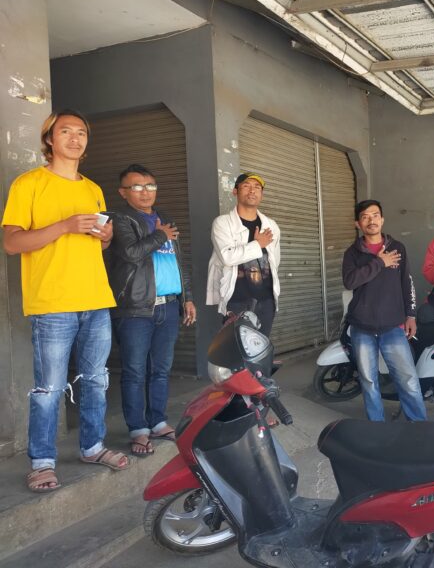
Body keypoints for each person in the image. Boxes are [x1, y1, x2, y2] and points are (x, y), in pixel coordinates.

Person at [2, 109, 130, 493]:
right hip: (53, 302)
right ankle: (42, 462)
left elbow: (99, 243)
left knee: (96, 380)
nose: (75, 139)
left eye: (81, 133)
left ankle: (92, 447)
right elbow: (12, 243)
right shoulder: (29, 184)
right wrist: (64, 225)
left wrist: (105, 237)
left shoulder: (93, 189)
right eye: (66, 132)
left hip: (96, 297)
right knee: (49, 389)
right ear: (50, 139)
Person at [107, 164, 196, 456]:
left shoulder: (165, 218)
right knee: (134, 371)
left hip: (168, 306)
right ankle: (138, 430)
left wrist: (187, 298)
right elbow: (130, 253)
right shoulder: (120, 219)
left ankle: (157, 422)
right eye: (137, 187)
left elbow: (178, 261)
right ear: (123, 192)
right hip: (135, 308)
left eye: (150, 186)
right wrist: (159, 236)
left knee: (161, 369)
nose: (145, 192)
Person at [342, 200, 427, 422]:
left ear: (382, 219)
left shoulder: (397, 248)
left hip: (393, 326)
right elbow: (350, 281)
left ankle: (419, 426)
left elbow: (406, 282)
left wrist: (411, 315)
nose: (371, 220)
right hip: (362, 327)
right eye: (365, 217)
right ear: (358, 223)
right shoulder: (352, 253)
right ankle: (376, 428)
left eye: (375, 215)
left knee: (408, 379)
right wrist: (379, 262)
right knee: (369, 381)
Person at [206, 172, 280, 335]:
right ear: (235, 191)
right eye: (246, 186)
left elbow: (275, 260)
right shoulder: (222, 223)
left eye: (257, 187)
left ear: (261, 194)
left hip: (266, 301)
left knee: (261, 346)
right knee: (237, 348)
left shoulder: (271, 226)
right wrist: (258, 244)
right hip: (237, 301)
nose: (252, 190)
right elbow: (227, 257)